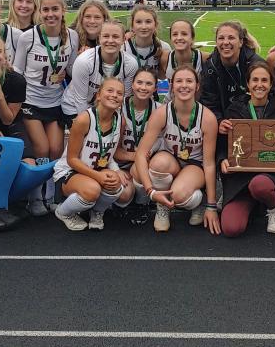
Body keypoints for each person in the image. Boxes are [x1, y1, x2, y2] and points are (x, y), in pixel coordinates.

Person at [218, 61, 275, 236]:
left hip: (269, 175)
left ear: (271, 84)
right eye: (255, 80)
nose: (259, 84)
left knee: (260, 186)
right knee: (231, 228)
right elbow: (221, 146)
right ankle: (254, 203)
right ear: (248, 84)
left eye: (264, 80)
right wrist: (222, 160)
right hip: (240, 178)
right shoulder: (234, 110)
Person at [14, 0, 80, 215]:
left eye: (55, 9)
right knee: (41, 148)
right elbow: (17, 70)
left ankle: (50, 196)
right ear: (39, 12)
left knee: (55, 149)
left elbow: (71, 69)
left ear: (63, 11)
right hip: (31, 101)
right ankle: (35, 198)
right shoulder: (28, 37)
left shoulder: (72, 36)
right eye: (45, 9)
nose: (50, 14)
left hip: (55, 101)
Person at [134, 66, 220, 233]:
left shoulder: (207, 118)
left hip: (194, 165)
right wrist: (151, 192)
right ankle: (162, 207)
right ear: (172, 86)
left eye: (189, 81)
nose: (184, 85)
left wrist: (212, 205)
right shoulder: (161, 113)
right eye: (179, 81)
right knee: (158, 164)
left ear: (197, 86)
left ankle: (200, 201)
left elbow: (209, 164)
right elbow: (140, 154)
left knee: (179, 196)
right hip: (171, 160)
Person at [53, 77, 135, 231]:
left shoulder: (120, 121)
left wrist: (116, 170)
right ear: (98, 95)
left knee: (116, 183)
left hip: (97, 169)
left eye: (119, 93)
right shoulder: (84, 119)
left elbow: (109, 153)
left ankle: (97, 212)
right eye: (109, 90)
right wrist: (97, 176)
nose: (114, 95)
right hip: (71, 171)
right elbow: (71, 159)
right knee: (93, 190)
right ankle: (63, 212)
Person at [62, 20, 138, 120]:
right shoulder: (84, 61)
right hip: (75, 108)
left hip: (106, 109)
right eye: (106, 36)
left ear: (124, 39)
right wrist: (94, 125)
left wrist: (116, 120)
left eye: (115, 36)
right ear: (99, 38)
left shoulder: (130, 64)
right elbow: (80, 100)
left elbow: (124, 98)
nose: (110, 40)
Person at [114, 68, 161, 215]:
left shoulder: (160, 110)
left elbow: (161, 141)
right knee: (124, 195)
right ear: (132, 85)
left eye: (149, 83)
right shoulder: (118, 107)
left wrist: (147, 153)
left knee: (141, 170)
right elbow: (109, 146)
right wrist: (133, 156)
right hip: (118, 162)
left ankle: (142, 203)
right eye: (139, 82)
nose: (143, 87)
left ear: (155, 88)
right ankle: (119, 202)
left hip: (144, 163)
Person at [199, 21, 264, 121]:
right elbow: (208, 102)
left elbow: (268, 97)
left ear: (241, 42)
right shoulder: (210, 67)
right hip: (223, 124)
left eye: (231, 38)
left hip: (252, 121)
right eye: (221, 38)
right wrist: (219, 122)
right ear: (216, 42)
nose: (225, 42)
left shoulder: (256, 65)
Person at [124, 4, 169, 78]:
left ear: (155, 25)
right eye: (138, 22)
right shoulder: (123, 49)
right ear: (132, 26)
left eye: (148, 22)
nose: (143, 26)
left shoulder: (165, 48)